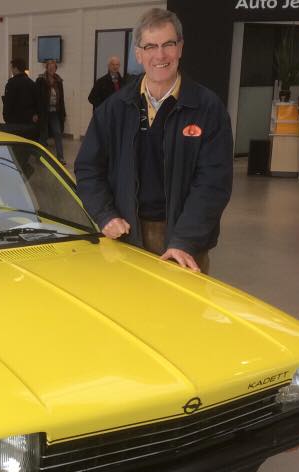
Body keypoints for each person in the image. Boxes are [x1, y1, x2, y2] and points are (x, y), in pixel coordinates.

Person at [75, 8, 232, 273]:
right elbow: (88, 168)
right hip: (126, 237)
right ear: (138, 54)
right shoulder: (114, 108)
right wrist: (105, 214)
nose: (160, 55)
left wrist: (185, 240)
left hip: (183, 244)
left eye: (168, 44)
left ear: (180, 48)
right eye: (150, 46)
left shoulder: (207, 109)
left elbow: (213, 183)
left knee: (180, 302)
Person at [36, 59, 67, 162]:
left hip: (55, 112)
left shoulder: (59, 81)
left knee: (58, 133)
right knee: (43, 135)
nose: (51, 69)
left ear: (55, 69)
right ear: (46, 68)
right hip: (44, 112)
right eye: (50, 67)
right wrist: (36, 113)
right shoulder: (40, 80)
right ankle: (40, 157)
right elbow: (36, 97)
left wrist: (63, 113)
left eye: (53, 68)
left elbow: (61, 98)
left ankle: (60, 157)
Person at [2, 58, 38, 126]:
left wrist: (6, 116)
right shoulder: (32, 83)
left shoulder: (11, 84)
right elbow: (37, 101)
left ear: (16, 68)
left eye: (12, 68)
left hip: (14, 120)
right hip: (29, 120)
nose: (11, 70)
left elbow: (8, 102)